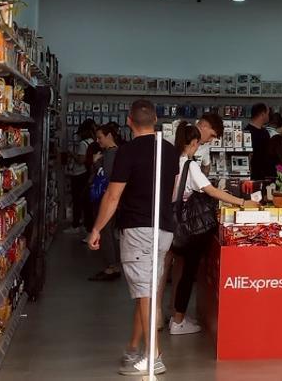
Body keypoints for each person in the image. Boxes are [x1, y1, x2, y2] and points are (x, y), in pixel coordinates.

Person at [87, 101, 174, 376]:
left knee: (145, 294)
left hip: (138, 229)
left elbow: (113, 196)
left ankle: (154, 356)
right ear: (156, 119)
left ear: (129, 121)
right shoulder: (170, 151)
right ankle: (135, 348)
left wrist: (97, 228)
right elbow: (170, 193)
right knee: (147, 293)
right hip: (164, 230)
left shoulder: (127, 152)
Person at [168, 121, 258, 335]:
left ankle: (176, 316)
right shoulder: (190, 166)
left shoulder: (172, 162)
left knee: (183, 273)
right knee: (189, 273)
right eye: (197, 144)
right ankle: (178, 321)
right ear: (192, 143)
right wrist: (243, 203)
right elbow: (211, 191)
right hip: (190, 228)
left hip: (173, 222)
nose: (198, 147)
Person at [89, 122, 124, 281]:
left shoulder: (110, 154)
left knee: (105, 231)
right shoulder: (117, 152)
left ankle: (112, 266)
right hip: (112, 198)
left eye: (100, 137)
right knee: (108, 231)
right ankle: (113, 264)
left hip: (107, 198)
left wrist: (96, 163)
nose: (98, 141)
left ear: (109, 136)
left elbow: (108, 176)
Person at [65, 119, 95, 234]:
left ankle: (76, 225)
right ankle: (86, 225)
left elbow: (81, 160)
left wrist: (72, 154)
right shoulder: (92, 141)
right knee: (86, 201)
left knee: (77, 200)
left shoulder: (83, 144)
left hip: (79, 174)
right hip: (87, 174)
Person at [246, 103, 274, 180]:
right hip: (254, 176)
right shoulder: (247, 133)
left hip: (266, 175)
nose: (269, 116)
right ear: (262, 114)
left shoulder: (265, 132)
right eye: (268, 113)